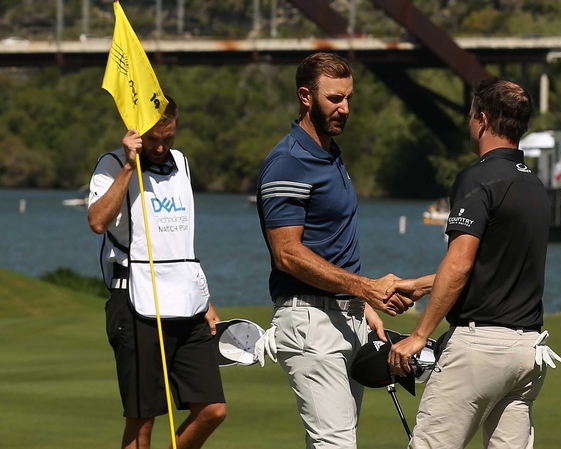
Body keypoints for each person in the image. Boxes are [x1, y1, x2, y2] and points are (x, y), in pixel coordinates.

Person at [387, 77, 561, 449]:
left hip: (480, 350)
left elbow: (461, 264)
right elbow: (492, 266)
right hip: (527, 353)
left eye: (470, 115)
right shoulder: (536, 185)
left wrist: (418, 336)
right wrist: (419, 285)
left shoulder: (478, 177)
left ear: (481, 119)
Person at [255, 52, 413, 449]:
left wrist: (365, 307)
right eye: (334, 99)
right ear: (305, 97)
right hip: (309, 322)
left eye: (348, 99)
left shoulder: (329, 155)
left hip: (347, 318)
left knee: (335, 442)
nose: (344, 109)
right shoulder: (287, 163)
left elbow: (332, 245)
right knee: (335, 444)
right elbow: (287, 255)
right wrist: (364, 288)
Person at [87, 97, 227, 449]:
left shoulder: (181, 162)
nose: (162, 147)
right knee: (142, 422)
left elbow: (180, 240)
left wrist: (204, 297)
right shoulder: (111, 164)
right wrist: (128, 167)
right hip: (135, 301)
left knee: (213, 409)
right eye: (154, 140)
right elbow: (97, 221)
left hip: (187, 301)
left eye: (169, 138)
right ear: (137, 132)